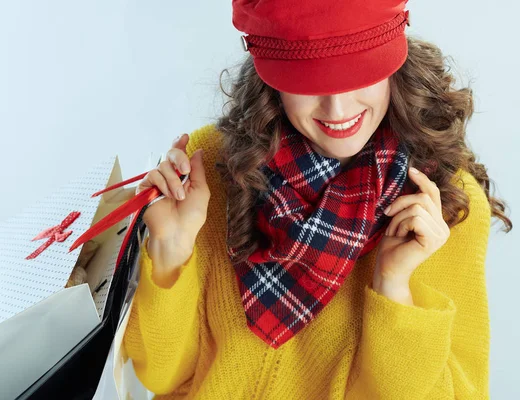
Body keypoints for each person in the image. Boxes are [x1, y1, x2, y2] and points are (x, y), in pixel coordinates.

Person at [122, 0, 513, 398]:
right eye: (308, 81)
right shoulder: (214, 169)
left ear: (394, 63)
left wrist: (395, 287)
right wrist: (171, 249)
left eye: (359, 72)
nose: (338, 109)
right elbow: (163, 378)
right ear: (270, 80)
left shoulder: (445, 208)